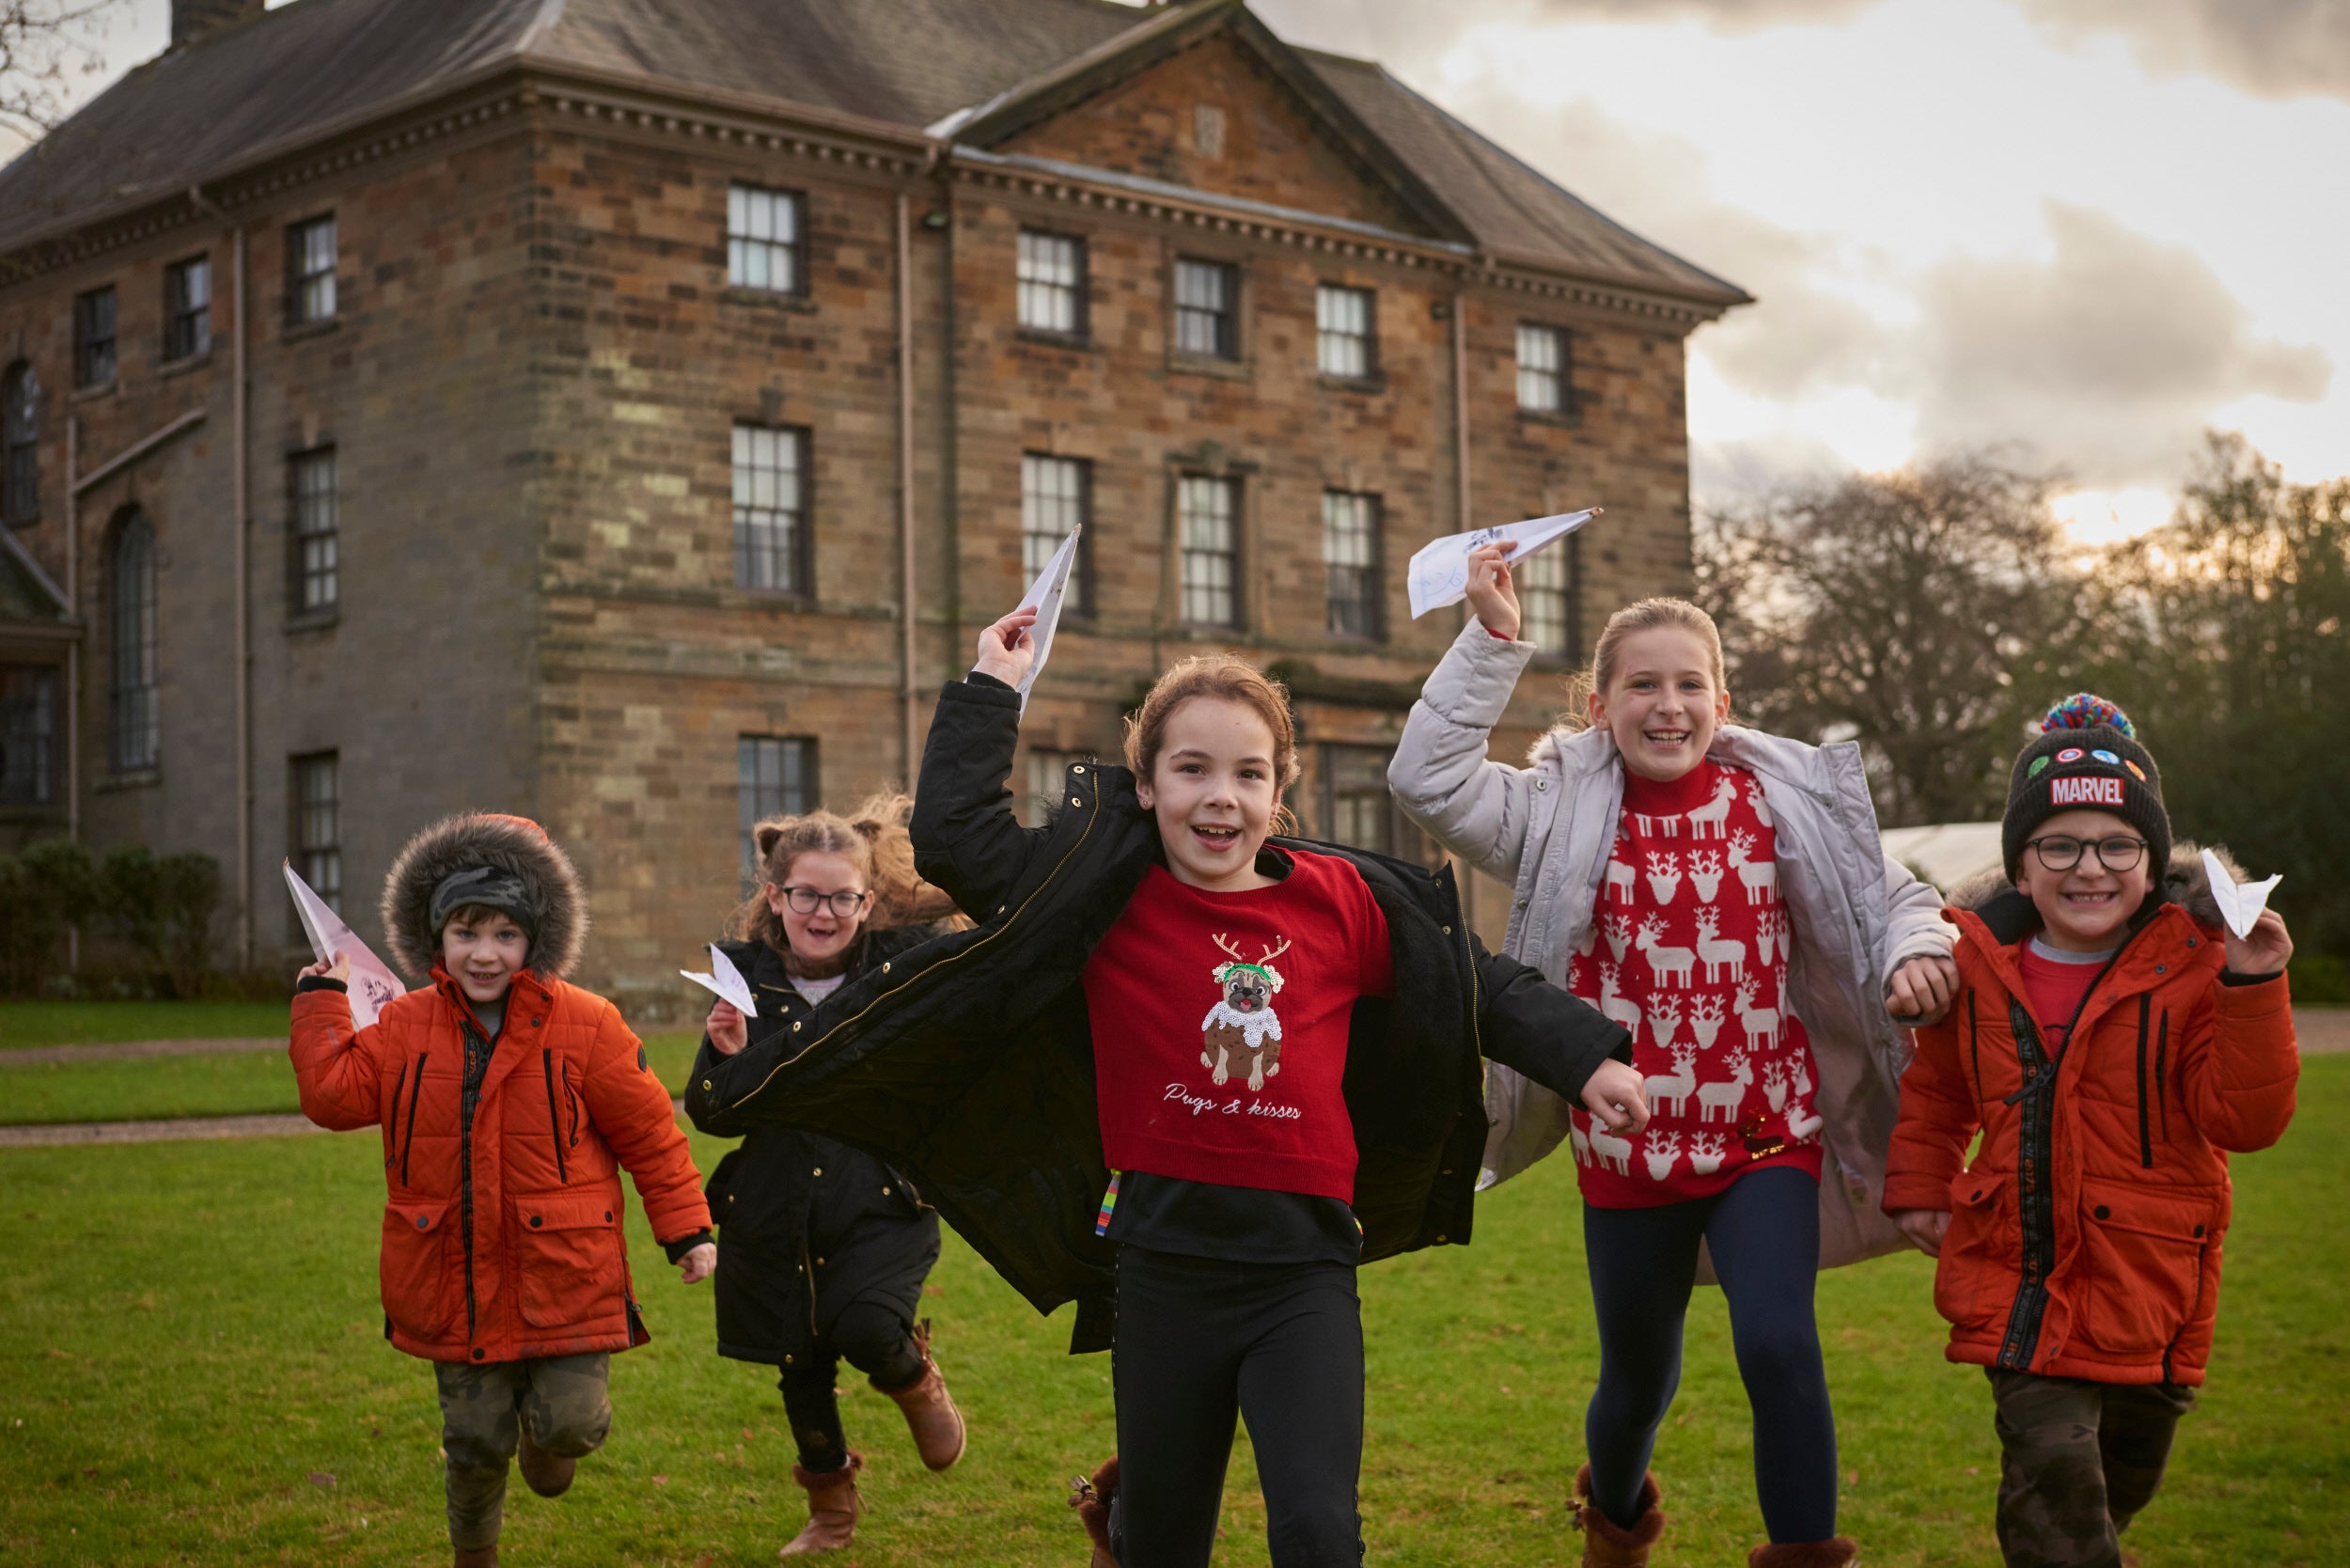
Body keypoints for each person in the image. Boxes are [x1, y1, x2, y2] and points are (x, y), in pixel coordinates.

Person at [690, 606, 1643, 1568]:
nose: (1219, 797)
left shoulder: (1343, 902)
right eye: (1190, 769)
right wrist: (992, 687)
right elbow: (955, 840)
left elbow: (1483, 984)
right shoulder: (1098, 894)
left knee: (1319, 1536)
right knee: (1162, 1539)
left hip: (1303, 1273)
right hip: (1159, 1267)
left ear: (1280, 791)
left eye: (1247, 773)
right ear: (1144, 784)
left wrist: (1589, 1058)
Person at [1386, 553, 1960, 1568]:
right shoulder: (1553, 815)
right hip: (1629, 1150)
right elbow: (1425, 778)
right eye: (1642, 686)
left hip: (1767, 1135)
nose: (1667, 704)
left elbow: (1900, 897)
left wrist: (1918, 949)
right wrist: (1490, 637)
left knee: (1780, 1347)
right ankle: (1612, 1519)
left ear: (1721, 700)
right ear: (1600, 706)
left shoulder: (1781, 805)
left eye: (1688, 683)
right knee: (1636, 1385)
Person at [1883, 694, 2297, 1568]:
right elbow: (1938, 1090)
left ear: (2152, 863)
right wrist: (1920, 1186)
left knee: (2116, 1489)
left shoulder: (2194, 967)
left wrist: (2252, 988)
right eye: (2059, 846)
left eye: (2118, 846)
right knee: (2056, 1487)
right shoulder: (1978, 966)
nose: (2090, 869)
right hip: (2023, 1279)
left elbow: (2246, 1121)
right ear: (2021, 867)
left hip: (2152, 1283)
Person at [289, 812, 716, 1568]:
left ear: (536, 939)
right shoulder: (404, 1025)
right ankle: (475, 1552)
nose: (484, 954)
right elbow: (334, 1098)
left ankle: (549, 1444)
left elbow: (650, 1134)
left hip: (567, 1273)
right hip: (452, 1276)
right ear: (438, 940)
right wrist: (321, 1004)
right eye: (466, 932)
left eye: (505, 935)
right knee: (475, 1441)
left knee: (571, 1425)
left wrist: (687, 1230)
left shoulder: (589, 1025)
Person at [687, 794, 968, 1556]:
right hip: (774, 1206)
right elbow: (712, 1115)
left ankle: (912, 1377)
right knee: (797, 1358)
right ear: (777, 897)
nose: (823, 912)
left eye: (842, 897)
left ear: (866, 901)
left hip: (879, 1197)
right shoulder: (739, 979)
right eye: (806, 895)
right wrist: (725, 1052)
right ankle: (832, 1512)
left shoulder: (901, 968)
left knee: (867, 1324)